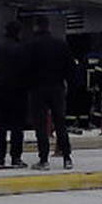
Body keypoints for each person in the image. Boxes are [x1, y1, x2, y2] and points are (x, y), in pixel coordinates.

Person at [25, 16, 75, 170]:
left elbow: (25, 67)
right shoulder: (61, 45)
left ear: (36, 27)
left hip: (37, 88)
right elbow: (70, 67)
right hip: (57, 87)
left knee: (40, 124)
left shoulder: (31, 45)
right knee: (60, 122)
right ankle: (67, 157)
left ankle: (44, 159)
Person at [0, 21, 29, 168]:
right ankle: (16, 157)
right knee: (17, 126)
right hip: (19, 91)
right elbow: (28, 70)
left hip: (1, 91)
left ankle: (0, 158)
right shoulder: (23, 49)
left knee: (0, 126)